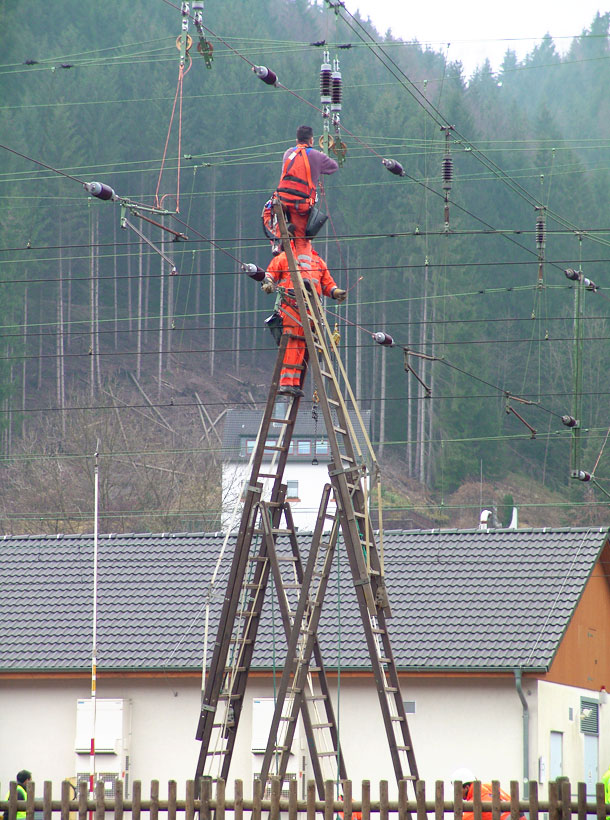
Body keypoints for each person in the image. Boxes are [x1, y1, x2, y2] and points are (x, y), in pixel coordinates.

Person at [261, 239, 346, 396]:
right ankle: (286, 383)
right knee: (292, 344)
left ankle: (293, 383)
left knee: (301, 346)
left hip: (310, 312)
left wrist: (336, 292)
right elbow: (270, 274)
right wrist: (268, 283)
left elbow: (327, 284)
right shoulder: (286, 257)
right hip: (291, 308)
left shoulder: (317, 262)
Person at [265, 125, 338, 254]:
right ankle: (303, 269)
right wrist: (321, 158)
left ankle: (279, 239)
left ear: (297, 140)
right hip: (301, 205)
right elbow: (333, 167)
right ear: (311, 140)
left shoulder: (288, 153)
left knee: (268, 214)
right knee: (301, 242)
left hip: (282, 200)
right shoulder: (316, 156)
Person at [451, 768, 525, 820]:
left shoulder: (475, 802)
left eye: (457, 789)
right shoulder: (490, 787)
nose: (456, 793)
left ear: (466, 787)